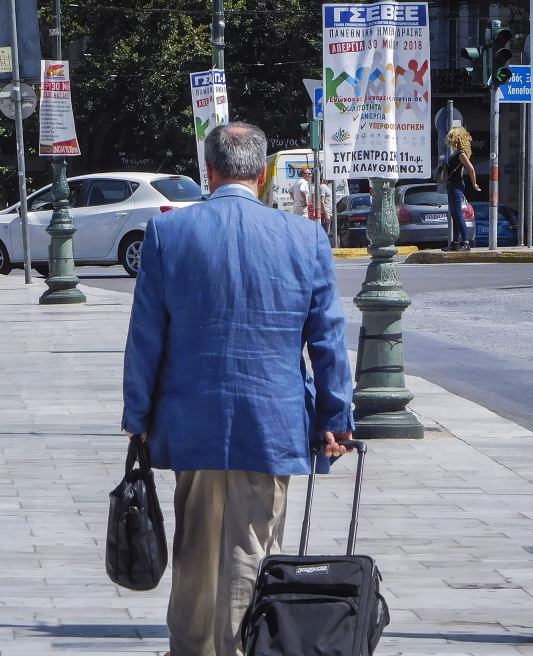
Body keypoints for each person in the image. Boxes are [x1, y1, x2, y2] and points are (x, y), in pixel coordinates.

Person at [122, 122, 355, 656]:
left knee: (195, 550)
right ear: (265, 171)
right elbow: (328, 340)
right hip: (271, 424)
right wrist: (335, 417)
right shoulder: (304, 237)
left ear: (209, 170)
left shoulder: (169, 234)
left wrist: (138, 416)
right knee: (252, 549)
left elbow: (146, 338)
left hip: (192, 422)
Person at [437, 126, 481, 251]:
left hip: (456, 185)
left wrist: (474, 183)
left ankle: (466, 242)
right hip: (451, 185)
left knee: (458, 214)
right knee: (454, 215)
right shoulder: (456, 153)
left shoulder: (461, 154)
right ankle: (455, 242)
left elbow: (471, 169)